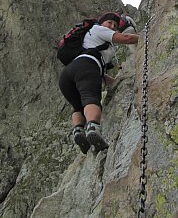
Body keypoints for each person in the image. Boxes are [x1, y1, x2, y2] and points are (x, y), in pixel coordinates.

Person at [58, 12, 139, 153]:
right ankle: (93, 128)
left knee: (78, 106)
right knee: (91, 97)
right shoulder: (98, 29)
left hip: (67, 75)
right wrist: (145, 36)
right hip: (86, 66)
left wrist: (115, 82)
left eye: (115, 25)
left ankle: (78, 131)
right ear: (101, 23)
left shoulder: (91, 41)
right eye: (109, 23)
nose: (112, 26)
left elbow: (99, 73)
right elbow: (125, 38)